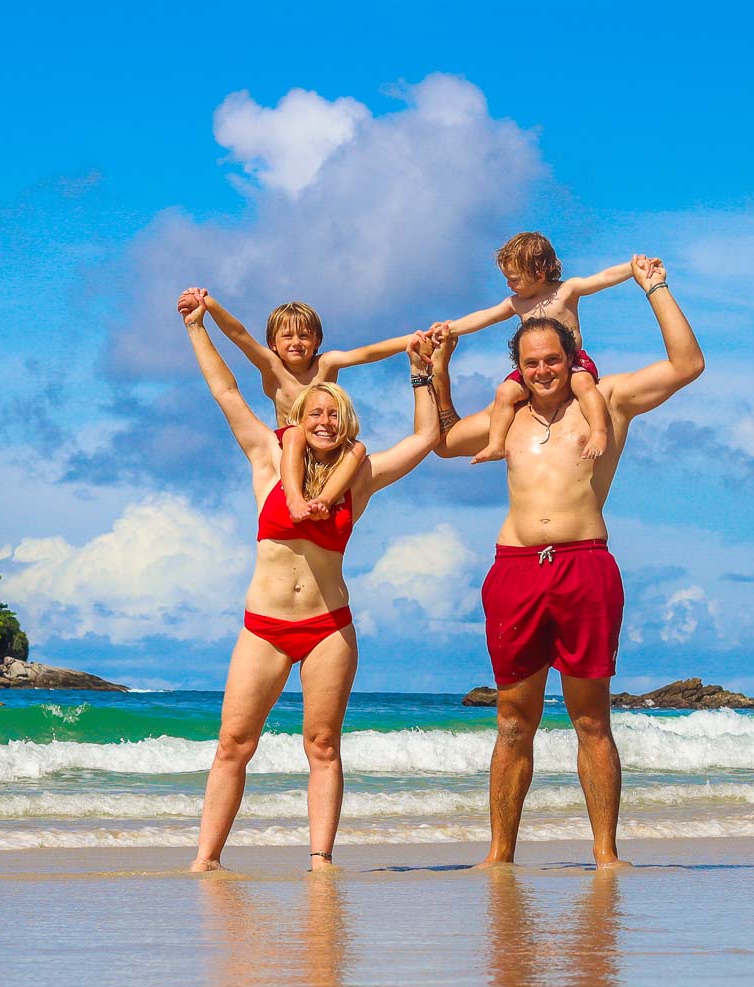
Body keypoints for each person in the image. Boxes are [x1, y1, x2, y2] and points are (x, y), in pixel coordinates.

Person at [429, 255, 703, 868]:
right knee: (511, 722)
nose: (542, 371)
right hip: (515, 570)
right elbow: (445, 442)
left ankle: (606, 854)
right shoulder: (511, 416)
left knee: (592, 722)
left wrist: (655, 288)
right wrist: (436, 371)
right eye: (530, 363)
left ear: (571, 355)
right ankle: (500, 855)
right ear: (517, 369)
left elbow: (688, 365)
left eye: (552, 359)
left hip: (584, 566)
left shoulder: (605, 400)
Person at [176, 288, 443, 872]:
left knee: (322, 747)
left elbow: (424, 440)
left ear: (345, 422)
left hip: (328, 626)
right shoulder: (266, 457)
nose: (323, 420)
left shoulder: (359, 476)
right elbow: (226, 390)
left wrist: (422, 373)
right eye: (313, 412)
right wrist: (198, 327)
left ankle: (321, 859)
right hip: (264, 627)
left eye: (333, 414)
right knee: (233, 746)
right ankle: (206, 859)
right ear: (299, 417)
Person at [186, 290, 416, 521]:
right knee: (295, 433)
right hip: (289, 448)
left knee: (357, 448)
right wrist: (210, 305)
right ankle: (294, 498)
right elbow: (239, 335)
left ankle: (325, 499)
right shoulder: (272, 368)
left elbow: (367, 354)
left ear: (317, 341)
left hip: (323, 447)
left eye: (304, 336)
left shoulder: (326, 364)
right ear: (272, 343)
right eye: (287, 336)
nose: (296, 342)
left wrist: (413, 340)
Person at [441, 232, 643, 465]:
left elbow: (604, 278)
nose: (509, 284)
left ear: (539, 273)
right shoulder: (517, 303)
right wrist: (450, 328)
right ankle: (496, 444)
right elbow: (485, 317)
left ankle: (599, 432)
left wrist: (632, 268)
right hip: (535, 369)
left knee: (584, 385)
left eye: (514, 279)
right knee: (504, 393)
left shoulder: (567, 290)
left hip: (572, 362)